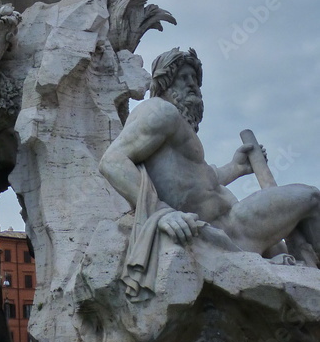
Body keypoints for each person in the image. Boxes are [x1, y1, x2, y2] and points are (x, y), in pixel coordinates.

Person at [99, 48, 320, 298]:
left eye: (195, 80)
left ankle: (304, 264)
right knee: (311, 198)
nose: (193, 85)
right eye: (184, 78)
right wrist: (161, 212)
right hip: (226, 231)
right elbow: (112, 161)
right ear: (165, 84)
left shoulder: (179, 130)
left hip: (234, 226)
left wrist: (235, 168)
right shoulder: (159, 111)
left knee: (305, 206)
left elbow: (201, 183)